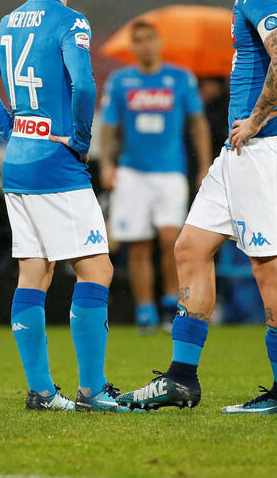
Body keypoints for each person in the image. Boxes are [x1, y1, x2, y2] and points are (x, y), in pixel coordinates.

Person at [116, 0, 277, 414]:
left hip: (264, 149)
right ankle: (181, 380)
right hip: (239, 152)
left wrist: (258, 118)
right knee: (190, 248)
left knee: (270, 267)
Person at [0, 0, 131, 413]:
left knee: (34, 272)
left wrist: (12, 130)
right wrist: (80, 141)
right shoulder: (70, 22)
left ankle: (41, 392)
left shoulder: (8, 23)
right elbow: (84, 86)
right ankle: (92, 391)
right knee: (96, 268)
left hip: (18, 164)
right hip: (57, 165)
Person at [99, 20, 211, 333]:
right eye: (139, 40)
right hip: (132, 172)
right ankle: (145, 310)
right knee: (138, 245)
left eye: (149, 39)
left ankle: (171, 303)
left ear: (159, 43)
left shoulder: (180, 78)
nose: (145, 45)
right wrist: (106, 164)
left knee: (170, 240)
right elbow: (108, 125)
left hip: (170, 172)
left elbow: (198, 123)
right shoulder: (120, 81)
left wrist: (204, 165)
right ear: (132, 46)